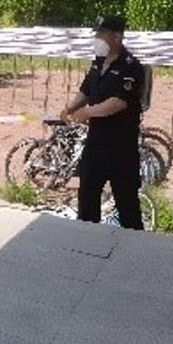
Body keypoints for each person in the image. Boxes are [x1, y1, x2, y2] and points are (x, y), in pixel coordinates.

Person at [61, 15, 146, 230]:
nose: (97, 38)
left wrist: (88, 112)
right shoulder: (98, 62)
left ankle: (135, 244)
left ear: (116, 37)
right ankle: (88, 238)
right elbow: (86, 90)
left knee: (126, 200)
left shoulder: (131, 66)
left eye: (101, 34)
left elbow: (118, 102)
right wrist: (70, 108)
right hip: (96, 140)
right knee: (87, 192)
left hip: (121, 144)